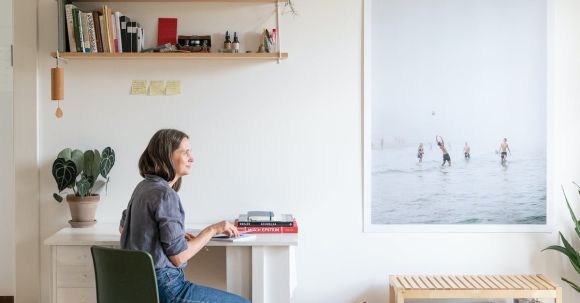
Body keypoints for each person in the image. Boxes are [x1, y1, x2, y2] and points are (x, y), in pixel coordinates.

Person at [119, 129, 250, 303]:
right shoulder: (166, 195)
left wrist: (172, 235)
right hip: (167, 289)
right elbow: (179, 257)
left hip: (139, 286)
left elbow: (123, 227)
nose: (192, 158)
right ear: (166, 156)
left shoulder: (143, 187)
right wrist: (212, 230)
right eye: (185, 152)